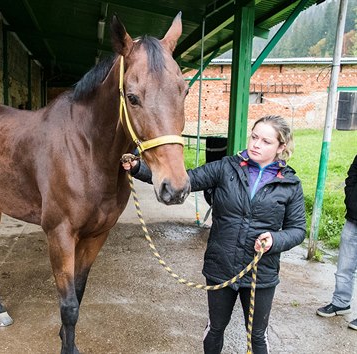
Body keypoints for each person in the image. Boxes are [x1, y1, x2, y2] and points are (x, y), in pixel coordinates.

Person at [122, 115, 306, 354]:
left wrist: (275, 239)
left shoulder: (290, 184)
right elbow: (186, 179)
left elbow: (298, 230)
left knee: (258, 336)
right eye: (254, 137)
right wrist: (138, 169)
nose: (256, 144)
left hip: (261, 272)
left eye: (266, 141)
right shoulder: (225, 167)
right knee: (216, 327)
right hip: (221, 266)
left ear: (281, 147)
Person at [316, 154, 357, 330]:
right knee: (344, 267)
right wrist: (351, 200)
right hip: (353, 219)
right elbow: (352, 175)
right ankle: (341, 303)